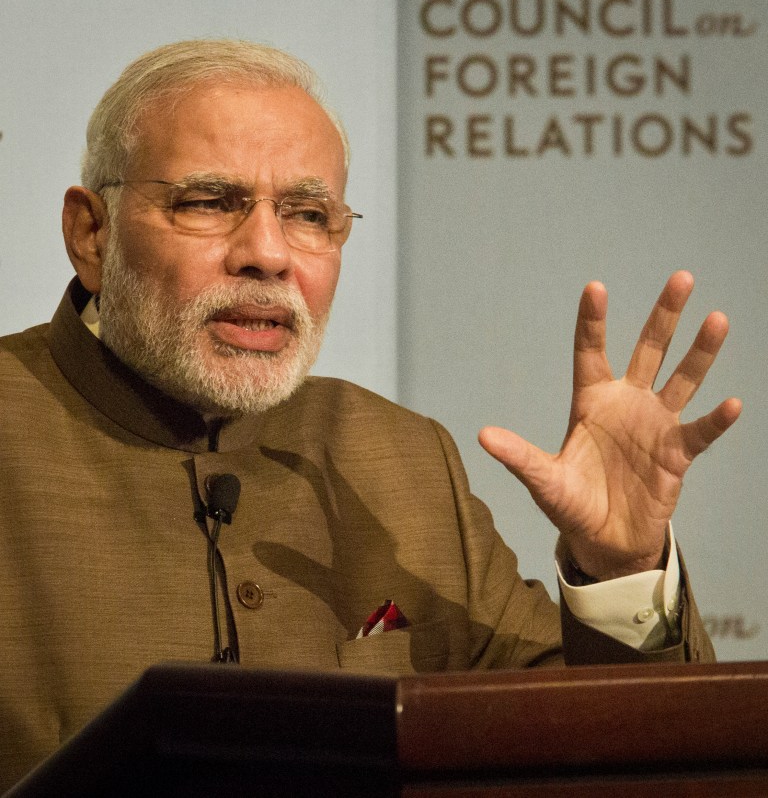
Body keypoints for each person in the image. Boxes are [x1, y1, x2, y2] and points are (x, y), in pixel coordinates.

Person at [0, 39, 740, 790]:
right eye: (208, 202)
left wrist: (620, 570)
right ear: (91, 234)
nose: (267, 253)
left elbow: (596, 757)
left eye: (308, 214)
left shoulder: (404, 461)